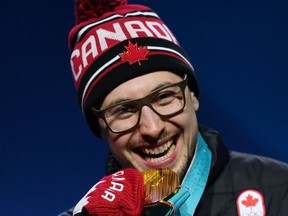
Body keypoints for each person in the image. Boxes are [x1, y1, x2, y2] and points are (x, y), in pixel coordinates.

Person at [59, 0, 288, 215]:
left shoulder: (280, 191)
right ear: (99, 127)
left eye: (164, 97)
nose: (152, 128)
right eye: (124, 110)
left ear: (193, 96)